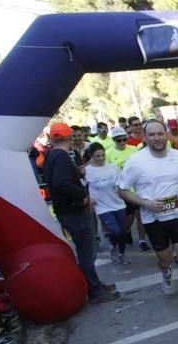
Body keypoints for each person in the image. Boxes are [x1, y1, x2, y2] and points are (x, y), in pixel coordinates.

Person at [118, 120, 178, 323]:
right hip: (153, 219)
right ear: (145, 136)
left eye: (160, 134)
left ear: (166, 134)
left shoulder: (177, 156)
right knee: (165, 259)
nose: (157, 138)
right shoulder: (135, 161)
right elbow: (121, 189)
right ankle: (166, 272)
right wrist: (145, 203)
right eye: (152, 135)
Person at [43, 123, 119, 304]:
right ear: (68, 137)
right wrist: (83, 196)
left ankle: (96, 285)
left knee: (87, 251)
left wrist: (76, 172)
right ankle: (94, 291)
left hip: (68, 211)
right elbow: (62, 183)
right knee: (87, 252)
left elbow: (60, 180)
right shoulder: (60, 157)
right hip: (74, 211)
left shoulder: (52, 155)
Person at [84, 143, 130, 264]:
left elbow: (121, 181)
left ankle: (121, 254)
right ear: (91, 156)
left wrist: (119, 188)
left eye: (102, 155)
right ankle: (113, 247)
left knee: (123, 231)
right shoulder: (87, 171)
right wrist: (88, 199)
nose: (101, 158)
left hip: (118, 203)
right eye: (97, 156)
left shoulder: (113, 167)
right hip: (102, 206)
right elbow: (82, 187)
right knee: (115, 231)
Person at [107, 125, 150, 252]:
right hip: (121, 190)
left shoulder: (134, 150)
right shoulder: (108, 153)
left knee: (140, 215)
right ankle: (126, 231)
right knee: (128, 218)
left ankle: (142, 240)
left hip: (136, 189)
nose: (121, 142)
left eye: (124, 139)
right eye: (118, 140)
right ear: (113, 140)